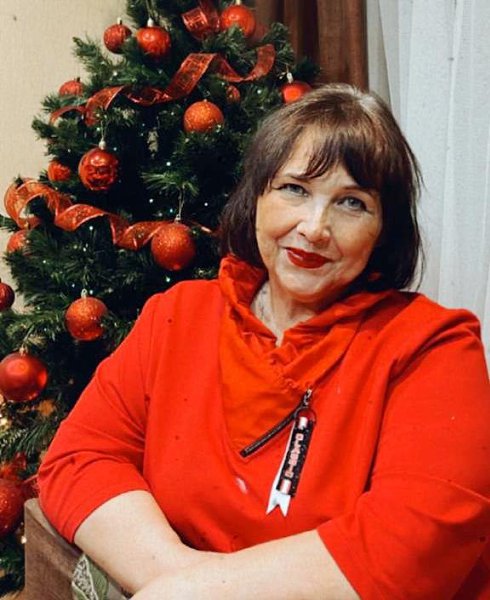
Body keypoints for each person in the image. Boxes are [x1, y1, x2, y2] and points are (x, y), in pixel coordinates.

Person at [38, 84, 490, 600]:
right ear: (256, 197)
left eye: (352, 202)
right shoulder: (177, 315)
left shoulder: (434, 347)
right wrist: (183, 579)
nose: (314, 228)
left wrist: (200, 593)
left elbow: (415, 544)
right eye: (294, 189)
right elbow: (80, 458)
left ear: (384, 230)